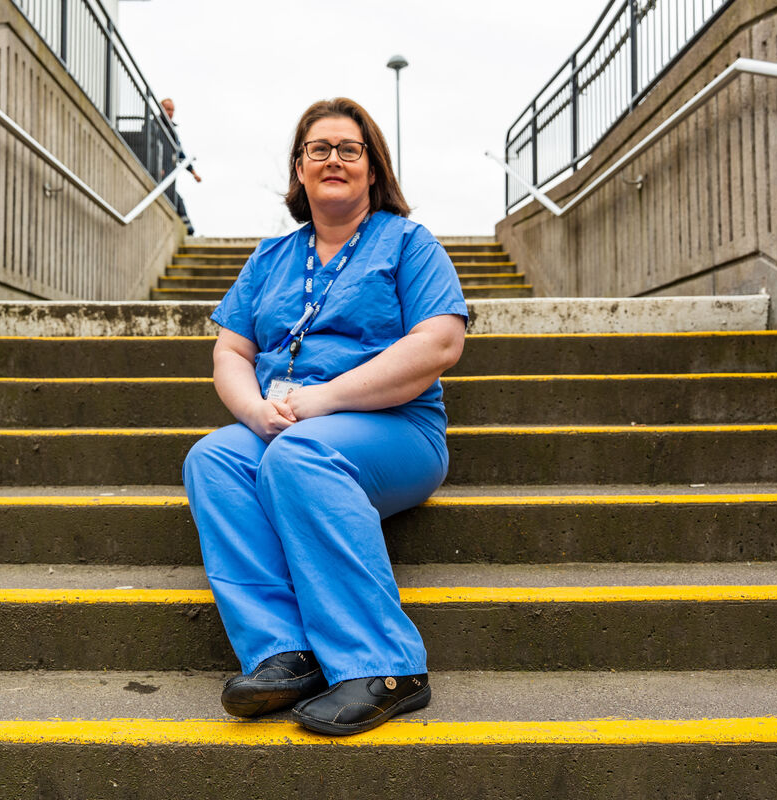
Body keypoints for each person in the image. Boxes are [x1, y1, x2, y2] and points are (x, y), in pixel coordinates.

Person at [182, 97, 467, 736]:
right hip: (285, 422)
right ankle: (286, 653)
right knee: (215, 457)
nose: (333, 159)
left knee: (299, 453)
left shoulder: (409, 243)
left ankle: (387, 667)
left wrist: (326, 399)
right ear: (299, 169)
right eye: (319, 149)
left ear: (373, 169)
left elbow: (441, 342)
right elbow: (230, 349)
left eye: (349, 149)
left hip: (392, 429)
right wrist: (254, 410)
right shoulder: (271, 258)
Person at [160, 98, 201, 234]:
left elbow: (181, 154)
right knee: (174, 199)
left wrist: (193, 172)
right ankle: (188, 229)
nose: (170, 112)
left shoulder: (173, 131)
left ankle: (188, 229)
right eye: (167, 109)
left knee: (176, 199)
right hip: (158, 171)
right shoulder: (154, 125)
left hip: (170, 173)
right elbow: (149, 146)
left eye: (172, 110)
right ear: (161, 108)